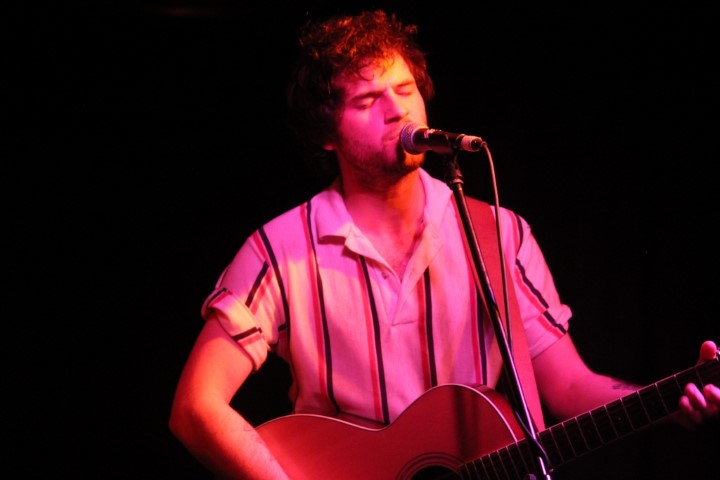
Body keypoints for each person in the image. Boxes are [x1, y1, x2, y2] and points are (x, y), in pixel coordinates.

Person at [169, 9, 719, 479]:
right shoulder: (279, 249)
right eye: (367, 99)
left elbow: (570, 386)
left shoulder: (500, 233)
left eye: (405, 89)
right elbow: (196, 406)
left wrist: (668, 402)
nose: (397, 110)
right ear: (325, 134)